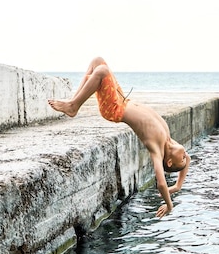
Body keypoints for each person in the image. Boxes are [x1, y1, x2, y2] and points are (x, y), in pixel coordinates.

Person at [48, 57, 190, 218]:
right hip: (122, 98)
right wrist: (178, 185)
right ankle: (73, 101)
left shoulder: (157, 150)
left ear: (170, 161)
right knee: (97, 62)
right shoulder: (169, 141)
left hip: (114, 108)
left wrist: (169, 205)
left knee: (102, 71)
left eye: (182, 158)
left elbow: (161, 184)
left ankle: (73, 106)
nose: (185, 155)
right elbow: (188, 160)